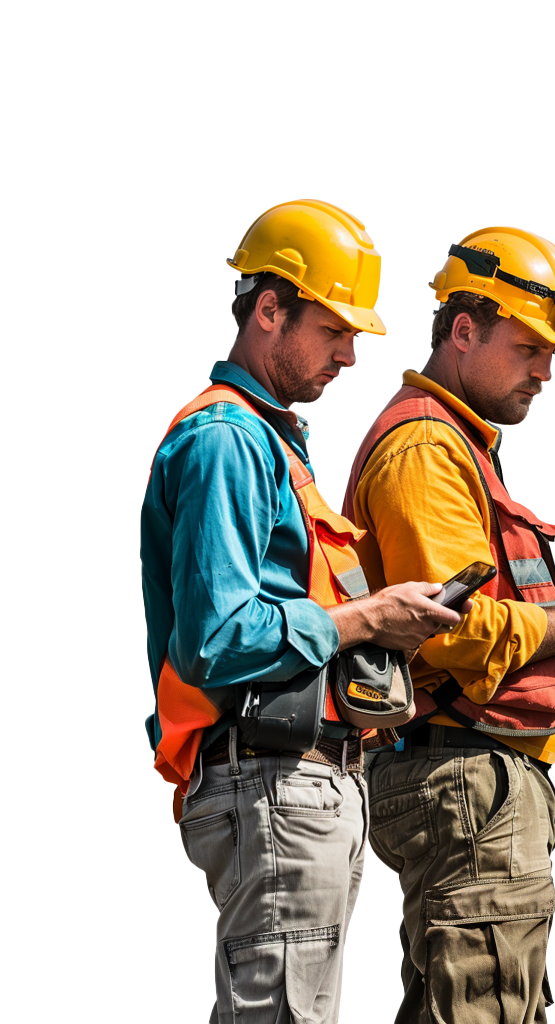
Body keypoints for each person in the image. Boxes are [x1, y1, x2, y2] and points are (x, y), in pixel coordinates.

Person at [140, 199, 464, 1023]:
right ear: (270, 310)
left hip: (297, 777)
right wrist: (365, 620)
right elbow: (217, 638)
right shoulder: (227, 440)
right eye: (336, 330)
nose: (351, 355)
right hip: (269, 773)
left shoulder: (273, 441)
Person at [342, 227, 555, 1024]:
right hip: (463, 776)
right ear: (463, 331)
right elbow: (448, 629)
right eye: (529, 347)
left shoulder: (454, 442)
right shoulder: (426, 446)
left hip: (476, 780)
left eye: (552, 353)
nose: (545, 370)